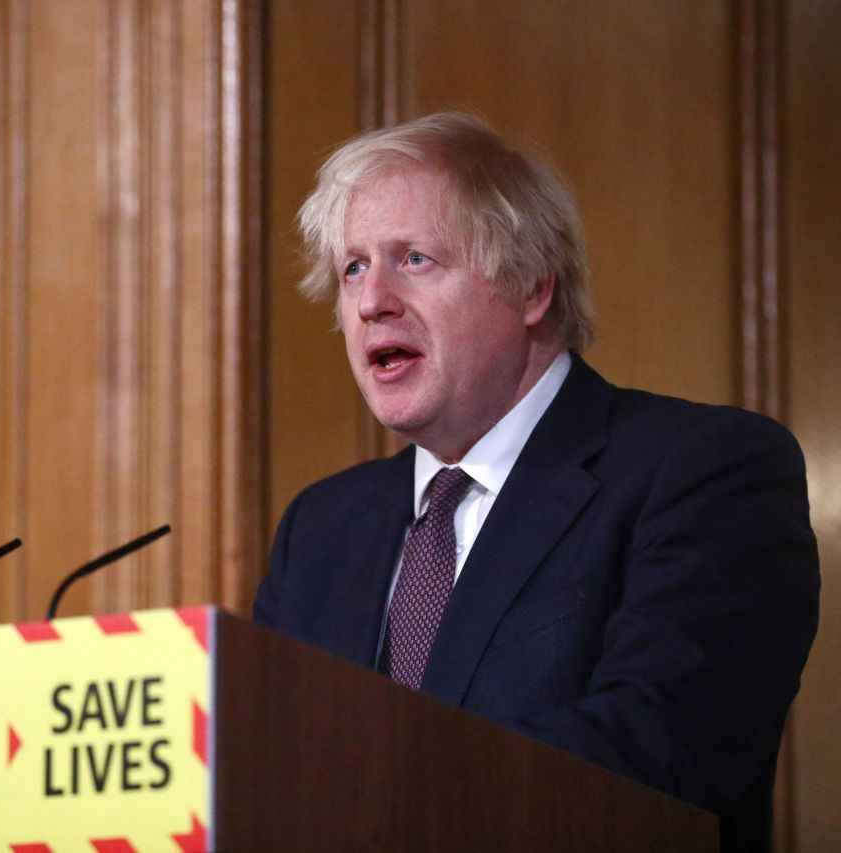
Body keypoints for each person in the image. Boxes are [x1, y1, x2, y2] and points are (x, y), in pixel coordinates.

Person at [253, 112, 819, 852]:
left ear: (531, 287)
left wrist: (356, 784)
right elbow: (254, 767)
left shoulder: (704, 470)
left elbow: (664, 751)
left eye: (414, 258)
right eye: (353, 267)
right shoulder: (323, 527)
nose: (370, 301)